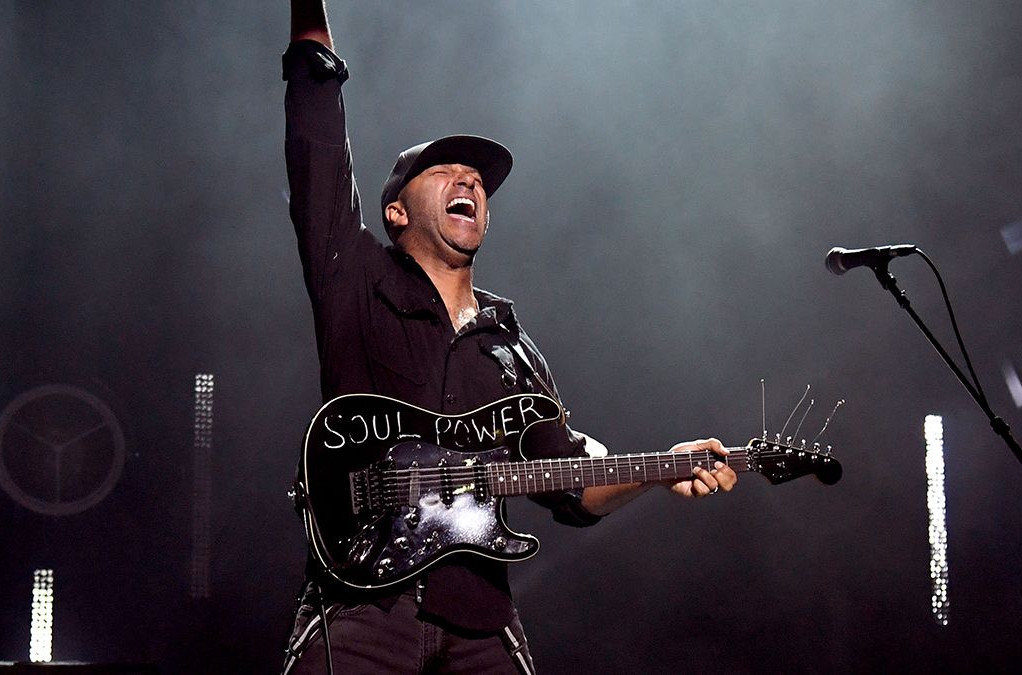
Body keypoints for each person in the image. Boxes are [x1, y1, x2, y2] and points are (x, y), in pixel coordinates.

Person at [280, 2, 737, 672]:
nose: (471, 180)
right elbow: (315, 134)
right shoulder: (356, 281)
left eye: (480, 181)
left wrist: (664, 466)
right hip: (360, 611)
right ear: (397, 209)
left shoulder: (513, 348)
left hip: (479, 621)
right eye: (446, 170)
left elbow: (573, 487)